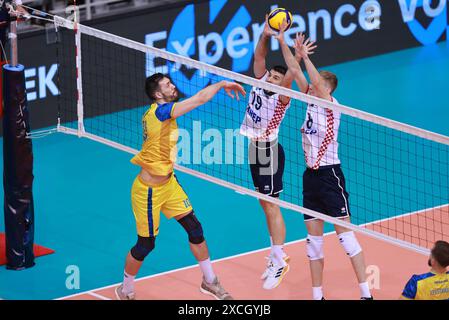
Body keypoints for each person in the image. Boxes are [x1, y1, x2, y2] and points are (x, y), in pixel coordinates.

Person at [115, 73, 246, 300]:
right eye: (167, 85)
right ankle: (125, 289)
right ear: (158, 94)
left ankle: (210, 281)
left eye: (171, 82)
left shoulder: (161, 112)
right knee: (146, 244)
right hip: (148, 191)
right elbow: (199, 100)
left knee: (195, 230)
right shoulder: (160, 111)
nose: (173, 86)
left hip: (169, 183)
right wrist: (222, 83)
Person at [276, 23, 373, 300]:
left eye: (320, 86)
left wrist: (307, 57)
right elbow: (294, 71)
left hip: (331, 175)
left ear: (329, 89)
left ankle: (366, 293)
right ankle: (318, 296)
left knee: (345, 237)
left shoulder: (332, 105)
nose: (314, 88)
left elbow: (316, 82)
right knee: (313, 244)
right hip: (311, 177)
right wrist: (287, 45)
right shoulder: (309, 97)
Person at [239, 14, 295, 290]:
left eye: (277, 77)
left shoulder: (283, 98)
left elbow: (291, 76)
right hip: (255, 148)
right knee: (265, 204)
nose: (271, 78)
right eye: (271, 75)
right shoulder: (259, 83)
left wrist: (284, 42)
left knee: (272, 205)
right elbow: (259, 59)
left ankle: (279, 259)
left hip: (270, 151)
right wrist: (264, 33)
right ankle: (276, 254)